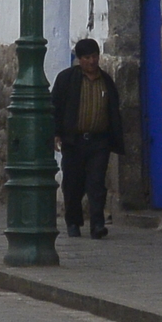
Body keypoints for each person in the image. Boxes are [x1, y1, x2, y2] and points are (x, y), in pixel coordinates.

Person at [50, 37, 124, 239]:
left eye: (94, 56)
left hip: (99, 141)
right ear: (79, 59)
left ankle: (97, 224)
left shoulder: (106, 81)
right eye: (87, 57)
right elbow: (56, 106)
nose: (92, 61)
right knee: (73, 184)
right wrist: (56, 133)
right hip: (74, 141)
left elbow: (113, 110)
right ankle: (73, 222)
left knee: (97, 183)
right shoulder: (67, 79)